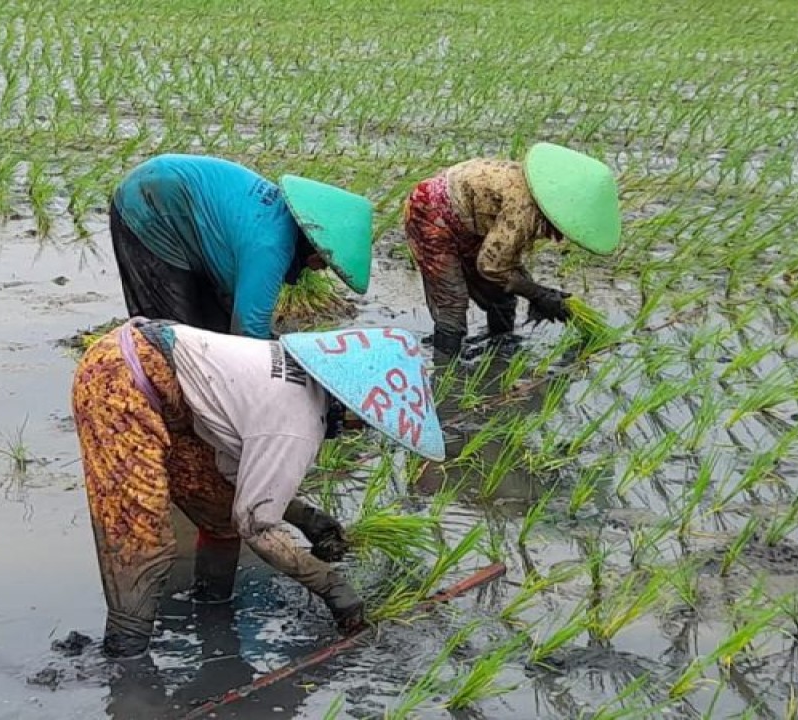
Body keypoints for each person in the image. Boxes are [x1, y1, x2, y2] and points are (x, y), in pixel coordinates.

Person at [71, 320, 444, 658]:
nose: (361, 430)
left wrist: (303, 517)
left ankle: (211, 606)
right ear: (349, 406)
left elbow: (236, 476)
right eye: (365, 421)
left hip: (169, 393)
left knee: (219, 509)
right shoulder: (297, 423)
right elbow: (257, 526)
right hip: (118, 381)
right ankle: (127, 660)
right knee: (140, 538)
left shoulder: (299, 376)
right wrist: (334, 589)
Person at [109, 154, 374, 339]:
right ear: (315, 245)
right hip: (150, 205)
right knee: (175, 336)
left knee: (211, 331)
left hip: (173, 199)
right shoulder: (271, 246)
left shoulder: (278, 218)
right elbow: (249, 329)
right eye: (325, 262)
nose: (319, 270)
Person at [403, 142, 622, 359]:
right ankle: (445, 373)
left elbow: (504, 260)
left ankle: (500, 349)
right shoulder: (525, 209)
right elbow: (490, 266)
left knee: (501, 296)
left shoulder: (539, 196)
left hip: (468, 222)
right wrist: (539, 293)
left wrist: (533, 291)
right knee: (452, 302)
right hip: (430, 213)